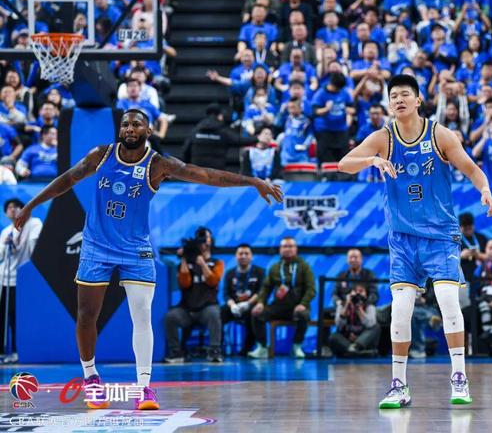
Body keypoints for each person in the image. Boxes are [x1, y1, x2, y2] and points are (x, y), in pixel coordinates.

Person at [13, 109, 283, 410]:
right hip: (96, 245)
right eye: (125, 124)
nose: (130, 128)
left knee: (141, 316)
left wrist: (252, 181)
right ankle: (91, 378)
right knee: (86, 314)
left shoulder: (158, 165)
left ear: (148, 131)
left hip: (135, 248)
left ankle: (144, 388)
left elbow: (207, 175)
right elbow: (66, 180)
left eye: (136, 124)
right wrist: (31, 205)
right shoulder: (101, 155)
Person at [338, 74, 492, 407]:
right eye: (393, 96)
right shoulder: (383, 137)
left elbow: (471, 168)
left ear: (418, 100)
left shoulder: (440, 134)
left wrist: (484, 189)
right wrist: (371, 160)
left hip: (440, 236)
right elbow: (343, 164)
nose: (398, 100)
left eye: (404, 94)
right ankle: (399, 385)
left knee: (448, 301)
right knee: (400, 310)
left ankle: (459, 378)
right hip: (403, 239)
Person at [164, 227, 225, 363]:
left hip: (207, 308)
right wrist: (184, 259)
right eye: (200, 238)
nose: (203, 241)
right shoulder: (187, 262)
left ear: (211, 240)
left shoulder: (217, 263)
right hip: (187, 309)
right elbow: (184, 284)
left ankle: (215, 350)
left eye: (206, 237)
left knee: (214, 313)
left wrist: (202, 263)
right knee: (170, 317)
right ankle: (176, 352)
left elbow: (213, 281)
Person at [248, 237, 316, 359]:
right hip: (279, 307)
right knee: (256, 313)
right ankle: (262, 347)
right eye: (285, 246)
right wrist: (261, 302)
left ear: (296, 249)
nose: (288, 249)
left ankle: (297, 346)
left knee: (304, 315)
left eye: (291, 246)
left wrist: (303, 304)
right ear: (280, 250)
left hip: (298, 307)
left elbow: (311, 289)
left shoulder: (304, 266)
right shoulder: (275, 268)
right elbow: (266, 288)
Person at [0, 198, 43, 363]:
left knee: (18, 318)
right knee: (4, 317)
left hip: (24, 281)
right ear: (6, 213)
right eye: (9, 208)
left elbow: (35, 249)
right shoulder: (6, 232)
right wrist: (5, 245)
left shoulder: (34, 224)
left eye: (17, 207)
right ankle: (3, 352)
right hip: (5, 280)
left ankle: (19, 351)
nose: (13, 210)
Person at [220, 244, 265, 355]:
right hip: (234, 306)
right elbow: (226, 294)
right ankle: (217, 347)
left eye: (246, 254)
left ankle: (248, 349)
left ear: (251, 256)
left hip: (251, 305)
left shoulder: (260, 271)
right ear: (236, 256)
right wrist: (232, 305)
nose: (243, 256)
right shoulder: (230, 273)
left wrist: (248, 303)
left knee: (255, 313)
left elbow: (261, 292)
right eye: (240, 254)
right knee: (218, 314)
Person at [329, 283, 381, 357]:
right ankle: (358, 351)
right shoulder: (342, 306)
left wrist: (359, 309)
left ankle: (354, 348)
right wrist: (347, 305)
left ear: (366, 295)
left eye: (361, 291)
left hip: (363, 340)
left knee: (376, 327)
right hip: (347, 340)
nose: (358, 293)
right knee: (333, 336)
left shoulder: (370, 307)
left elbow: (370, 324)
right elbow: (338, 324)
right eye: (355, 291)